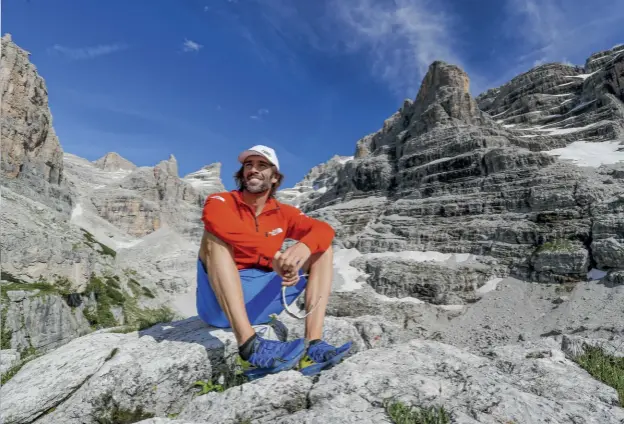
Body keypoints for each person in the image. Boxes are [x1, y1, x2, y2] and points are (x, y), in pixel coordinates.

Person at [196, 144, 352, 380]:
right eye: (248, 165)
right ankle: (249, 345)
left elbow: (324, 229)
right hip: (218, 307)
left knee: (322, 249)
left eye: (262, 165)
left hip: (261, 302)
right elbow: (216, 222)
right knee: (213, 235)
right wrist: (274, 255)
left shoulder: (285, 212)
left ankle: (314, 345)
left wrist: (305, 245)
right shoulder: (221, 200)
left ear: (275, 177)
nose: (253, 170)